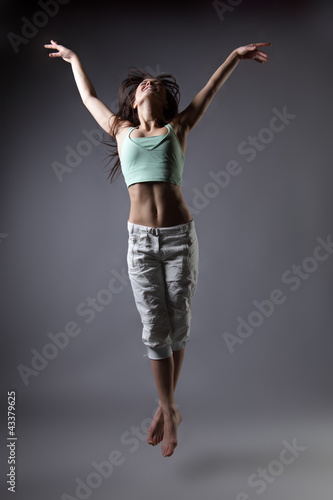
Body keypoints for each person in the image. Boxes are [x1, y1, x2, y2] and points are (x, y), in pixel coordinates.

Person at [44, 39, 271, 457]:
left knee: (177, 325)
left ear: (165, 103)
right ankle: (169, 411)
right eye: (142, 84)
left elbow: (211, 88)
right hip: (140, 244)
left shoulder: (177, 128)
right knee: (155, 329)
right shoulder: (121, 130)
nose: (149, 83)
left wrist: (234, 56)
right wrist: (75, 58)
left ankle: (164, 409)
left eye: (157, 85)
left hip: (180, 239)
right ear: (133, 103)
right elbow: (90, 97)